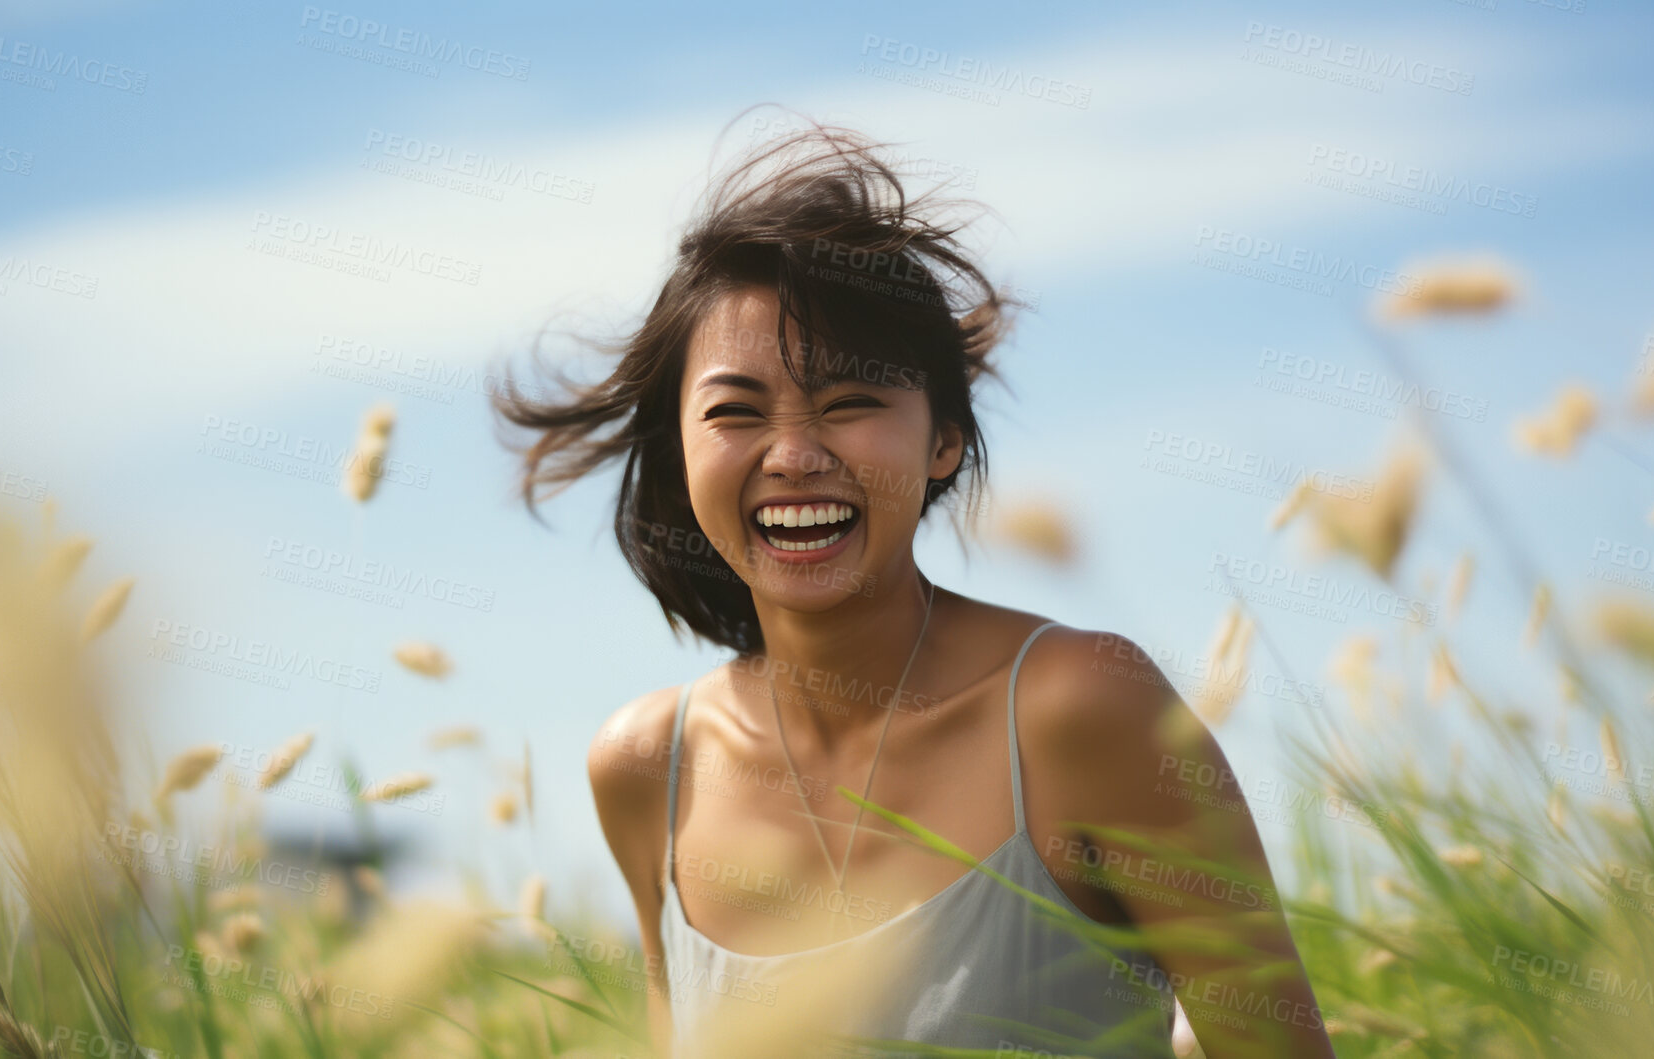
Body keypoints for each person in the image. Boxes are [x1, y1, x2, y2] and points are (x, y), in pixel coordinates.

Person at [493, 110, 1335, 1058]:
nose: (796, 455)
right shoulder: (647, 766)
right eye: (736, 412)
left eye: (852, 403)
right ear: (679, 452)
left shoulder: (1083, 708)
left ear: (942, 440)